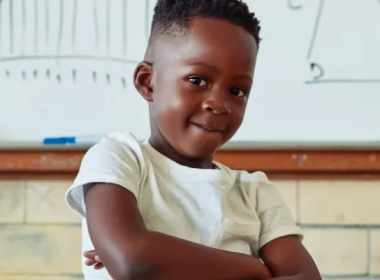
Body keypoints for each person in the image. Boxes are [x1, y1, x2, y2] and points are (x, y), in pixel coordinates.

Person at [65, 0, 321, 279]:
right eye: (197, 80)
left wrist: (159, 255)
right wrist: (255, 269)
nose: (219, 103)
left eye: (237, 90)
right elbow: (132, 262)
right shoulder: (119, 159)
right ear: (147, 81)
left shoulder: (254, 193)